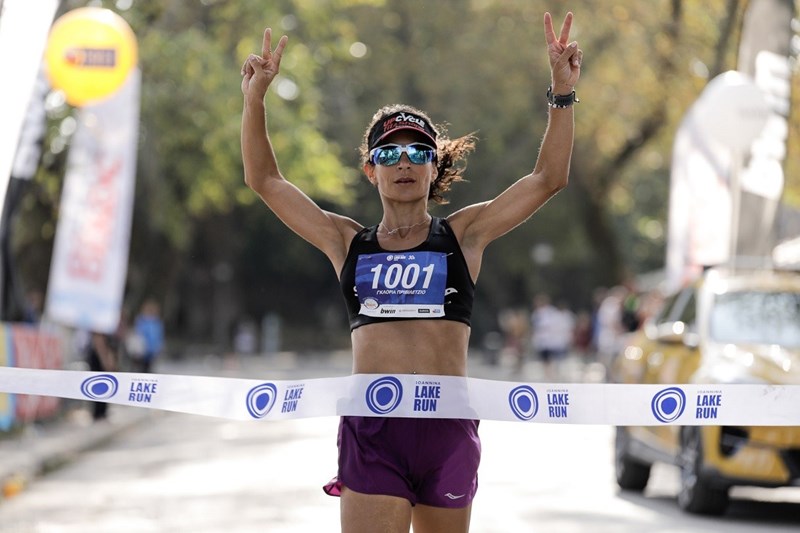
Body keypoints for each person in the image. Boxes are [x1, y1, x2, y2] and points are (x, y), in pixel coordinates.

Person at [241, 11, 582, 533]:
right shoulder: (345, 242)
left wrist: (561, 93)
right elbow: (265, 180)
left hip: (446, 430)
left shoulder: (464, 236)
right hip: (374, 432)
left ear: (433, 166)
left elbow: (547, 178)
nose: (405, 162)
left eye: (418, 151)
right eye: (390, 152)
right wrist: (254, 100)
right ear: (371, 169)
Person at [86, 332, 116, 420]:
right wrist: (105, 361)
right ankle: (99, 413)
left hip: (99, 359)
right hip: (98, 361)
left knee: (102, 387)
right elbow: (100, 345)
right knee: (100, 386)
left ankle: (101, 412)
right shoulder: (99, 331)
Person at [132, 299, 165, 373]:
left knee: (149, 368)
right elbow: (138, 334)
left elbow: (159, 336)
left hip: (152, 350)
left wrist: (159, 346)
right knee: (140, 368)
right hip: (142, 350)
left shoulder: (157, 322)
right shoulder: (141, 320)